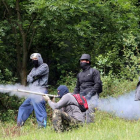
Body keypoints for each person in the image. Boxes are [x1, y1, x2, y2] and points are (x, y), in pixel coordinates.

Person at [17, 53, 49, 128]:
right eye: (33, 59)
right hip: (33, 91)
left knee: (39, 108)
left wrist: (32, 76)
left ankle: (42, 126)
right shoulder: (33, 69)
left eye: (35, 59)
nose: (34, 61)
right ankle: (19, 124)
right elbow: (28, 78)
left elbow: (36, 74)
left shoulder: (44, 66)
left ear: (39, 59)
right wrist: (31, 76)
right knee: (24, 106)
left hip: (41, 90)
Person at [73, 54, 102, 123]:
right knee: (80, 113)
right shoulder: (79, 74)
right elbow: (77, 87)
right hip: (82, 96)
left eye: (82, 60)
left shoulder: (94, 71)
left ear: (88, 61)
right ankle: (81, 128)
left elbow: (98, 84)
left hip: (92, 95)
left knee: (90, 110)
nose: (81, 62)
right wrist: (74, 96)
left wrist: (90, 94)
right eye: (80, 61)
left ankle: (90, 128)